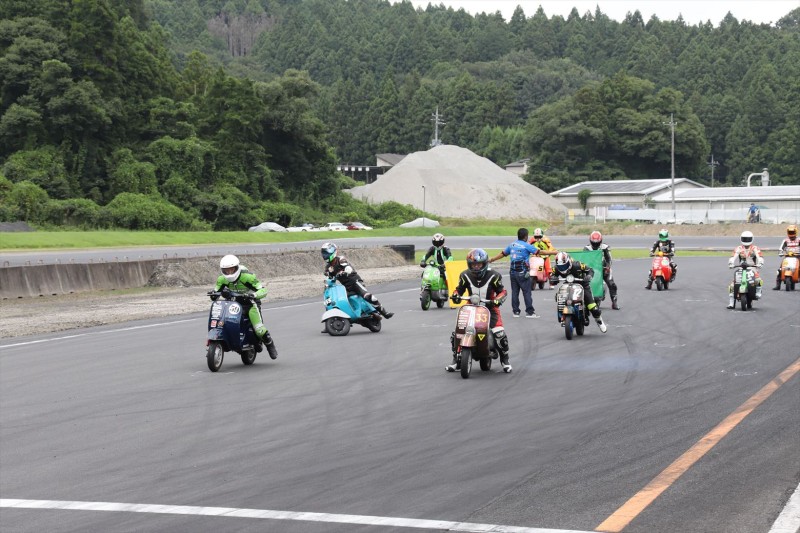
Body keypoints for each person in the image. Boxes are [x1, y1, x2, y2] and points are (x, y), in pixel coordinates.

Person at [449, 248, 511, 372]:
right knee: (458, 332)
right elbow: (459, 290)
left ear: (484, 263)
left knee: (499, 333)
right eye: (474, 265)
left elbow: (502, 292)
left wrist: (497, 300)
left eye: (479, 264)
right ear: (469, 264)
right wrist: (455, 295)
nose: (476, 267)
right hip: (470, 309)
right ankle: (456, 360)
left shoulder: (494, 276)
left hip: (490, 309)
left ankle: (505, 360)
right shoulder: (464, 275)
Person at [213, 254, 277, 359]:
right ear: (222, 270)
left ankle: (270, 344)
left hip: (250, 304)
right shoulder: (222, 279)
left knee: (259, 329)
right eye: (226, 270)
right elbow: (216, 292)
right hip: (233, 304)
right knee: (225, 322)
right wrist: (214, 294)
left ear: (237, 268)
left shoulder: (247, 277)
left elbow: (263, 290)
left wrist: (254, 295)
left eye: (231, 269)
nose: (229, 273)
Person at [489, 228, 551, 318]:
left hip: (512, 273)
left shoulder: (512, 245)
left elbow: (503, 254)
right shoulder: (526, 245)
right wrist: (554, 252)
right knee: (527, 292)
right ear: (525, 236)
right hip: (523, 273)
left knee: (515, 292)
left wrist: (492, 259)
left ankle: (516, 312)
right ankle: (530, 312)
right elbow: (540, 252)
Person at [322, 242, 393, 319]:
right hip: (345, 287)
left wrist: (345, 271)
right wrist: (327, 284)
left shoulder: (340, 259)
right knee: (339, 300)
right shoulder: (328, 268)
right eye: (324, 254)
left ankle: (384, 312)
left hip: (355, 282)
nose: (325, 255)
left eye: (326, 253)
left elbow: (347, 267)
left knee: (367, 296)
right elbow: (329, 277)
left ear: (333, 251)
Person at [551, 251, 607, 333]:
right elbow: (552, 275)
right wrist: (553, 279)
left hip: (583, 285)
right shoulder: (556, 268)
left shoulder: (578, 265)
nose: (562, 268)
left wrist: (589, 276)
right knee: (559, 296)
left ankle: (599, 321)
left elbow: (590, 270)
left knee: (593, 307)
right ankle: (562, 314)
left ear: (569, 262)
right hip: (567, 284)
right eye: (561, 267)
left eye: (564, 266)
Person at [727, 230, 765, 308]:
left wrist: (760, 263)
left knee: (758, 280)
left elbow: (760, 257)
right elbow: (733, 257)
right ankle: (731, 303)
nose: (746, 240)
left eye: (748, 239)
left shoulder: (755, 248)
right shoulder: (738, 248)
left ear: (752, 239)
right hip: (741, 268)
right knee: (732, 285)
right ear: (741, 238)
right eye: (745, 239)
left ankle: (758, 292)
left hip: (752, 268)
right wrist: (731, 263)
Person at [585, 230, 619, 310]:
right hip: (591, 269)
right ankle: (585, 301)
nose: (595, 244)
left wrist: (607, 267)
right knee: (584, 282)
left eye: (597, 243)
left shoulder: (605, 247)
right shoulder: (587, 248)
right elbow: (584, 259)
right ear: (590, 241)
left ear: (600, 241)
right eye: (594, 243)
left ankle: (614, 303)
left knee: (612, 284)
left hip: (603, 269)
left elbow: (609, 259)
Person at [773, 224, 800, 289]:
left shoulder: (799, 240)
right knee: (780, 269)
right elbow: (781, 248)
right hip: (787, 257)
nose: (791, 233)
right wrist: (780, 252)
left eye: (792, 232)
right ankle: (778, 285)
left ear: (796, 232)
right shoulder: (785, 240)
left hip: (798, 256)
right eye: (790, 232)